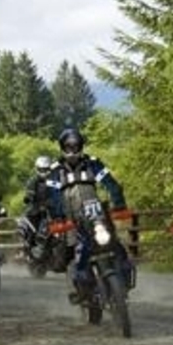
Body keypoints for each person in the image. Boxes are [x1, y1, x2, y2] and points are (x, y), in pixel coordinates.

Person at [46, 128, 132, 303]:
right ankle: (75, 290)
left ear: (81, 146)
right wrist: (57, 215)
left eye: (76, 146)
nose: (72, 150)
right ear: (62, 147)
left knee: (115, 243)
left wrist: (119, 202)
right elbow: (52, 195)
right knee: (70, 250)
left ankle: (125, 277)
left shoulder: (93, 163)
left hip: (96, 213)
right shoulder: (55, 170)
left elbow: (110, 183)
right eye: (68, 147)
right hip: (70, 218)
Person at [22, 155, 52, 257]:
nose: (43, 172)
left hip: (53, 207)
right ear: (37, 169)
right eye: (41, 169)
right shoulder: (33, 181)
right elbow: (29, 193)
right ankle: (30, 244)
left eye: (46, 169)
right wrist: (29, 197)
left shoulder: (55, 180)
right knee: (33, 220)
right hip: (37, 207)